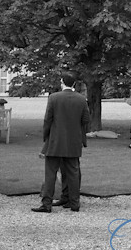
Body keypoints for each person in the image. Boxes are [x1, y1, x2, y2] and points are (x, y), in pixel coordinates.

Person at [32, 71, 90, 213]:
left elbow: (48, 120)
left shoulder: (53, 98)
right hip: (73, 141)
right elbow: (86, 121)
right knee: (73, 173)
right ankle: (74, 203)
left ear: (62, 82)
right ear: (74, 84)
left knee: (50, 173)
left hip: (56, 140)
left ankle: (47, 203)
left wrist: (46, 137)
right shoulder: (81, 99)